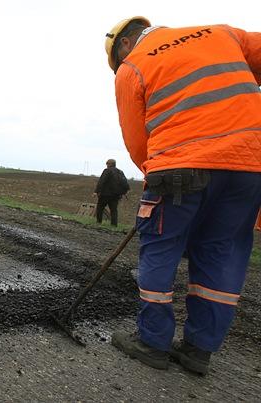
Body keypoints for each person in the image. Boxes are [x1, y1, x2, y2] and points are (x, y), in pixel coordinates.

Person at [104, 17, 261, 375]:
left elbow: (137, 140)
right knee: (220, 252)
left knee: (160, 246)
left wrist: (156, 176)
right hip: (251, 166)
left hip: (179, 164)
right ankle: (198, 350)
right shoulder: (221, 33)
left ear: (124, 46)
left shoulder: (131, 68)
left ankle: (152, 342)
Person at [93, 159, 129, 226]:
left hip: (105, 194)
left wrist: (96, 191)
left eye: (107, 164)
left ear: (109, 164)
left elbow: (102, 181)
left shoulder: (107, 171)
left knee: (100, 208)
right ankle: (114, 225)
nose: (106, 165)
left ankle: (98, 222)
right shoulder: (120, 172)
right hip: (116, 195)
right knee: (114, 210)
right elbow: (125, 183)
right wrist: (125, 192)